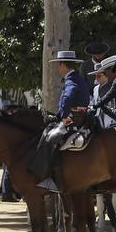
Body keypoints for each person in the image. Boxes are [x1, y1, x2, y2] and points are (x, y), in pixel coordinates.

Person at [29, 50, 93, 193]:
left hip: (73, 118)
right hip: (81, 116)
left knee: (49, 137)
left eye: (58, 64)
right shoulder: (78, 78)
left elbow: (68, 97)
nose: (58, 67)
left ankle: (50, 178)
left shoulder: (71, 80)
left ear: (62, 64)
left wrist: (62, 115)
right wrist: (57, 115)